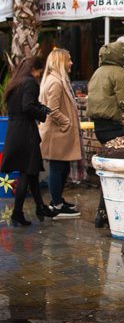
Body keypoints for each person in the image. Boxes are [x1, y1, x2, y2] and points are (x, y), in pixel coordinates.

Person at [1, 57, 58, 225]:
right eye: (40, 71)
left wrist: (39, 106)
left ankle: (40, 206)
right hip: (26, 133)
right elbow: (27, 106)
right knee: (27, 171)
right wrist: (43, 113)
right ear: (34, 69)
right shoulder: (30, 83)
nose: (41, 74)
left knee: (31, 171)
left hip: (14, 132)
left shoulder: (15, 82)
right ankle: (17, 212)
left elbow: (23, 104)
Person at [87, 37, 124, 228]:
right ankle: (106, 212)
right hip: (115, 126)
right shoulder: (118, 73)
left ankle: (101, 212)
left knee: (107, 168)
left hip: (99, 127)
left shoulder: (97, 72)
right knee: (115, 170)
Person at [39, 49, 82, 218]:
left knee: (61, 168)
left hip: (58, 133)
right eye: (68, 60)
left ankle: (58, 200)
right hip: (57, 134)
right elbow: (52, 110)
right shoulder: (56, 82)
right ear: (59, 62)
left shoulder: (55, 80)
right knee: (58, 168)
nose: (71, 63)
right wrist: (67, 123)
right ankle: (57, 205)